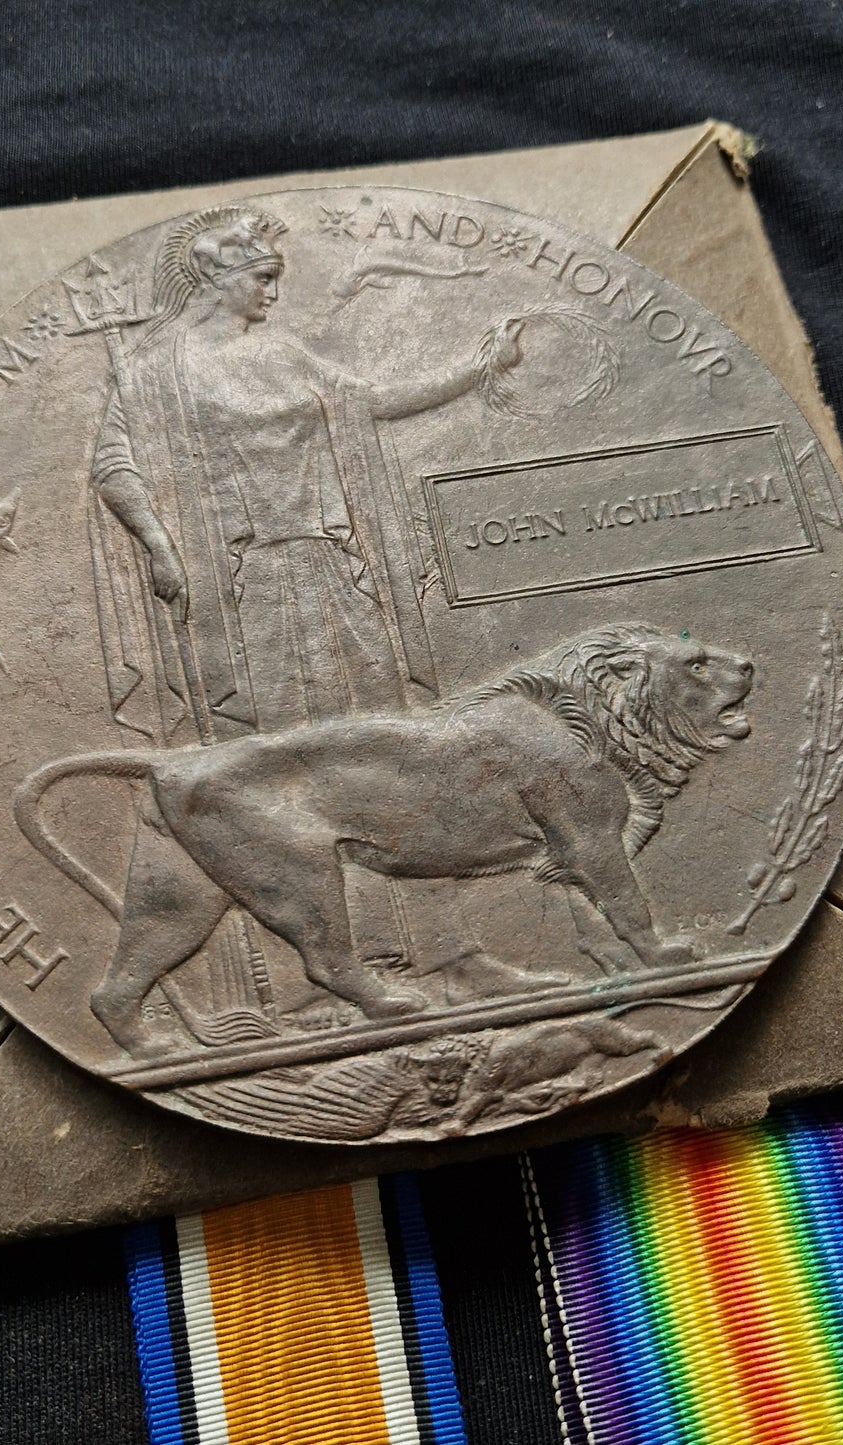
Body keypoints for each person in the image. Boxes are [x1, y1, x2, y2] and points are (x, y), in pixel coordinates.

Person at [86, 206, 536, 1051]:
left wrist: (479, 368)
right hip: (242, 596)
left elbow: (370, 404)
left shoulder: (283, 355)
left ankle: (450, 952)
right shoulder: (154, 370)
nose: (272, 289)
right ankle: (316, 974)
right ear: (218, 277)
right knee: (269, 790)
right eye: (262, 277)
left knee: (393, 761)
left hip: (331, 581)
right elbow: (114, 464)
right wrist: (155, 539)